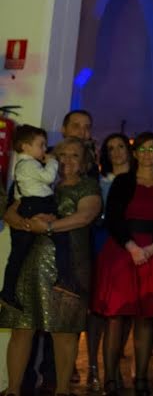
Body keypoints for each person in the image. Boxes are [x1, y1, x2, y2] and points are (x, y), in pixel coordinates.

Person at [0, 137, 102, 396]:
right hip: (28, 267)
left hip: (69, 270)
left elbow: (86, 215)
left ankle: (62, 391)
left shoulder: (88, 186)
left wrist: (47, 226)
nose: (66, 160)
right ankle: (12, 390)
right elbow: (10, 212)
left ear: (84, 162)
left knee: (65, 332)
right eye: (61, 154)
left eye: (74, 156)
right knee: (22, 329)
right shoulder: (36, 180)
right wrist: (27, 224)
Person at [92, 132, 153, 396]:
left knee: (146, 319)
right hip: (122, 252)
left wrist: (152, 248)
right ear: (136, 153)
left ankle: (141, 378)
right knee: (115, 318)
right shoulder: (122, 181)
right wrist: (131, 246)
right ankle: (110, 378)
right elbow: (114, 218)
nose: (148, 153)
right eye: (143, 149)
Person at [1, 124, 80, 311]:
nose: (45, 150)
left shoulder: (23, 165)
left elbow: (21, 192)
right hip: (36, 205)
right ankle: (63, 278)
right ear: (25, 147)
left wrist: (24, 210)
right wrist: (52, 161)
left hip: (31, 204)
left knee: (18, 254)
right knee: (59, 239)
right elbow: (47, 177)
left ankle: (8, 291)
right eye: (41, 145)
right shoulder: (29, 164)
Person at [86, 132, 135, 391]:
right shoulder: (100, 181)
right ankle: (94, 366)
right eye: (111, 147)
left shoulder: (139, 179)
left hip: (131, 246)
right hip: (102, 243)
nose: (116, 151)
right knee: (98, 309)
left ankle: (113, 366)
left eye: (120, 146)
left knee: (124, 311)